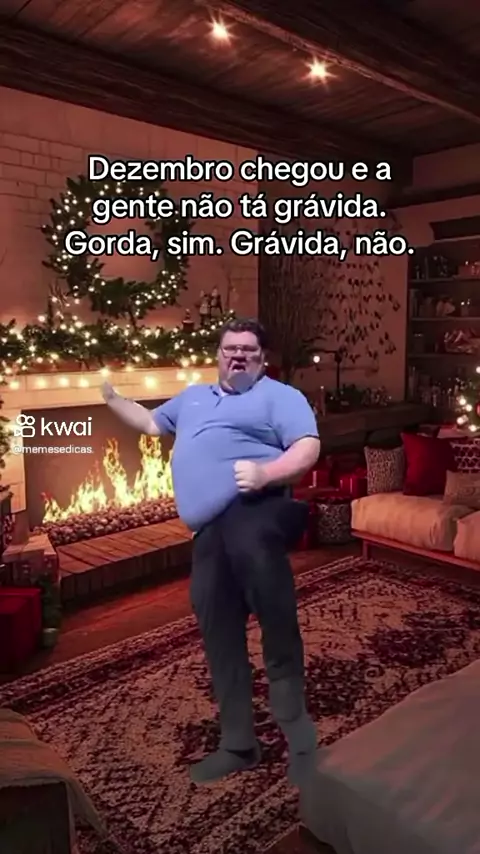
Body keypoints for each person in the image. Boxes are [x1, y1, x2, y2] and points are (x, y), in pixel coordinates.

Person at [101, 318, 320, 786]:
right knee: (215, 620)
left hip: (257, 506)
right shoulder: (193, 397)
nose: (238, 355)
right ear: (218, 355)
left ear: (262, 359)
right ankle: (239, 744)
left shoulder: (280, 397)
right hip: (209, 530)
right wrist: (114, 400)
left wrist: (265, 474)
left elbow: (307, 447)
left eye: (248, 350)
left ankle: (296, 725)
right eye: (229, 349)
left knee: (268, 590)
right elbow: (151, 423)